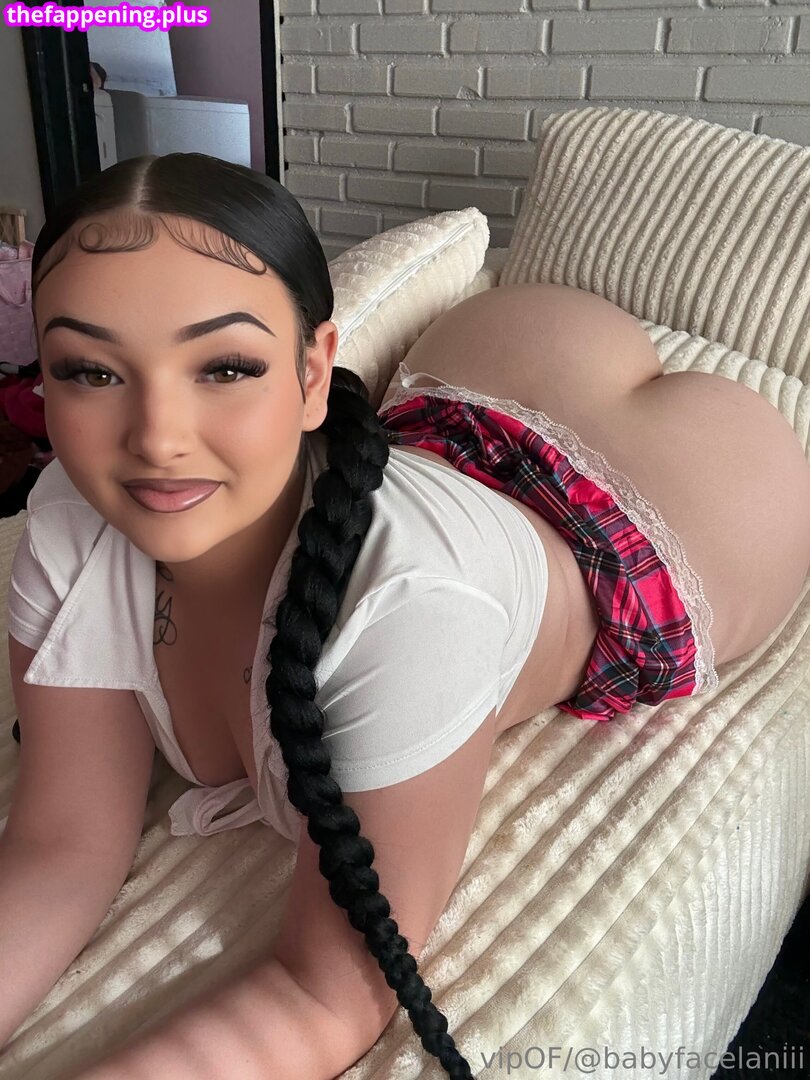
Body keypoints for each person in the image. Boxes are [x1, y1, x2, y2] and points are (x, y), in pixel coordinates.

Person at [2, 153, 809, 1077]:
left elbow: (326, 991)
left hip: (680, 508)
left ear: (315, 375)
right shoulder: (68, 518)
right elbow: (62, 845)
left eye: (224, 366)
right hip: (477, 391)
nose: (157, 439)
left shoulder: (412, 607)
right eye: (90, 372)